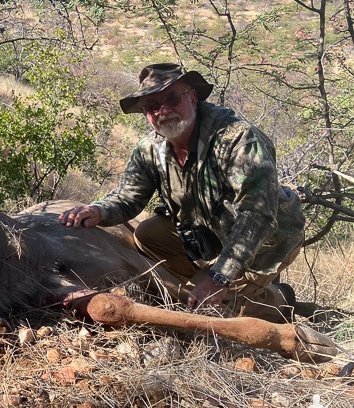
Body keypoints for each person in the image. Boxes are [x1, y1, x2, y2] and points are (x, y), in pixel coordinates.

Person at [59, 63, 305, 323]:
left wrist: (218, 277)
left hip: (268, 241)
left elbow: (257, 216)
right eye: (152, 106)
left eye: (172, 99)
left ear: (193, 97)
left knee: (220, 313)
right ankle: (222, 287)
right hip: (213, 235)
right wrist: (98, 210)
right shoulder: (150, 149)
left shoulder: (237, 139)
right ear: (145, 113)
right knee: (148, 234)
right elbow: (129, 197)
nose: (163, 111)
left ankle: (279, 299)